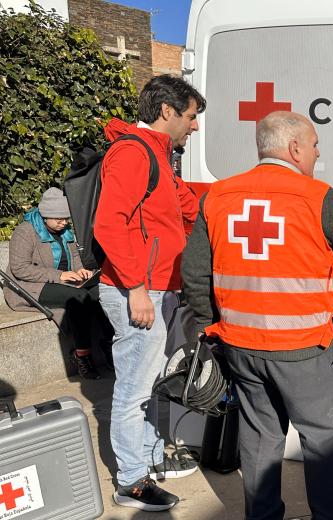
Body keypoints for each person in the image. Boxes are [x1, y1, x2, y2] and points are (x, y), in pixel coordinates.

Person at [181, 111, 333, 520]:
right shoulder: (318, 198)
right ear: (294, 148)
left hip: (240, 346)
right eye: (314, 145)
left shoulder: (218, 196)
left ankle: (263, 515)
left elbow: (194, 273)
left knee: (259, 438)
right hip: (303, 349)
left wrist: (208, 327)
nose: (316, 152)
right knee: (321, 437)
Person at [94, 75, 205, 511]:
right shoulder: (132, 154)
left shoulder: (157, 155)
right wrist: (137, 287)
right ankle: (132, 481)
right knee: (133, 390)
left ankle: (151, 459)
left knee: (150, 384)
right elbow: (109, 224)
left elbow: (190, 204)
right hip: (137, 291)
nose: (194, 126)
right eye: (191, 117)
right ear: (167, 111)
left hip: (156, 288)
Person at [3, 187, 113, 379]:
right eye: (59, 219)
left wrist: (81, 270)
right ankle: (82, 357)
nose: (64, 223)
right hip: (29, 285)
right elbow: (20, 268)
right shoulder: (25, 232)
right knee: (78, 299)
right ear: (45, 216)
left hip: (63, 279)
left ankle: (109, 345)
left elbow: (74, 257)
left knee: (99, 291)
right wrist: (59, 276)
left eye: (66, 219)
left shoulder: (65, 230)